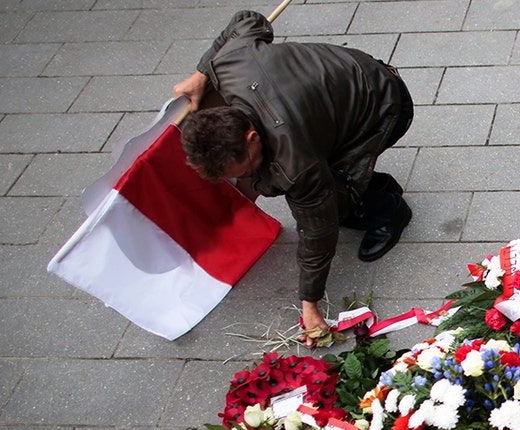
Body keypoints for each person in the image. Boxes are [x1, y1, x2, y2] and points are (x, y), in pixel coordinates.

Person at [173, 10, 414, 346]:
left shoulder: (295, 162)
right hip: (343, 84)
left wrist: (310, 304)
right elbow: (247, 19)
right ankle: (375, 185)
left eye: (244, 170)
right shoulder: (230, 62)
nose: (247, 178)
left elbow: (317, 229)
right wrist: (202, 74)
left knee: (336, 203)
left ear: (251, 138)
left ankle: (389, 211)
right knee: (320, 183)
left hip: (381, 104)